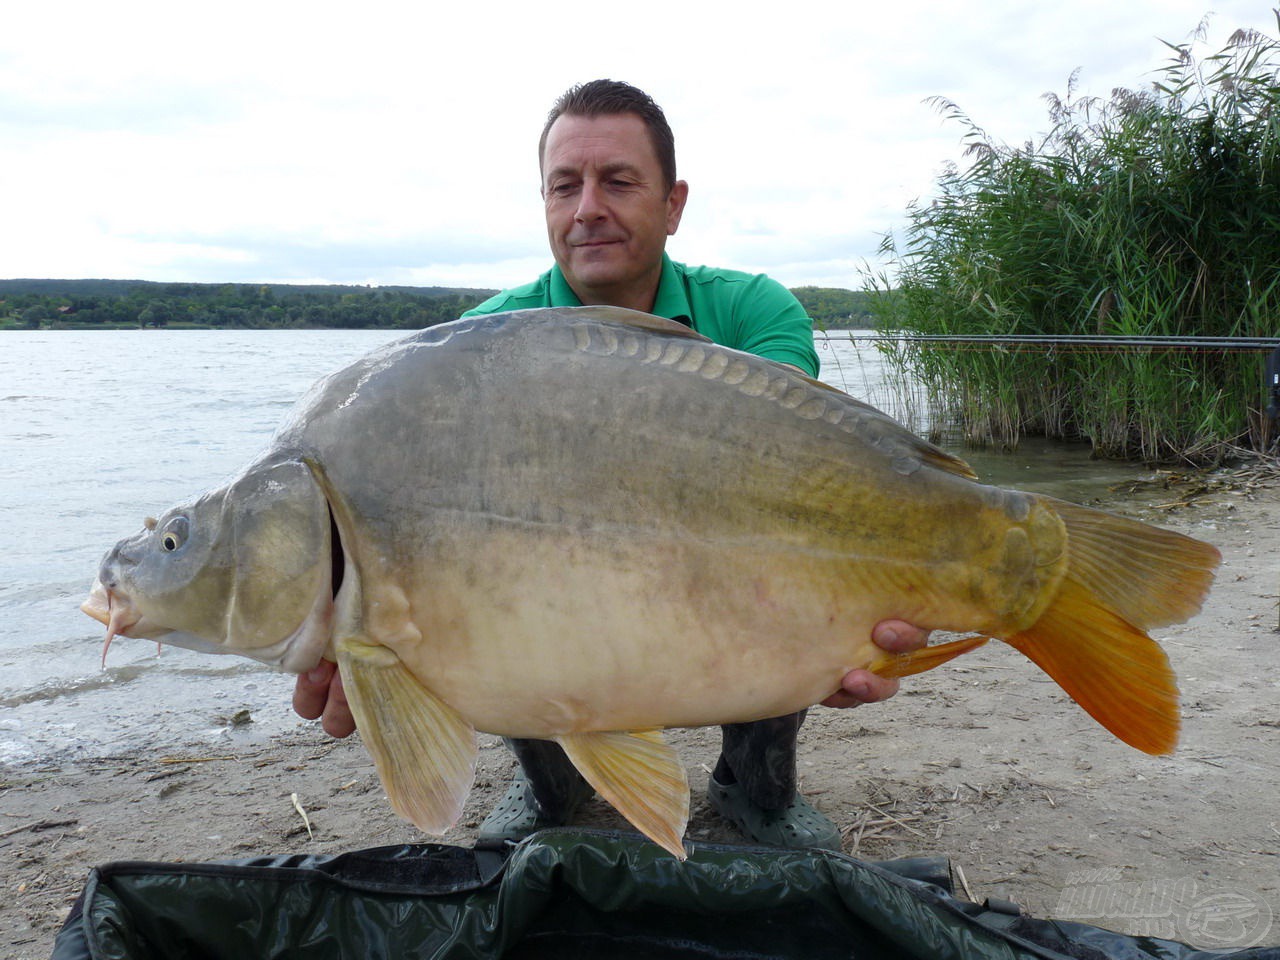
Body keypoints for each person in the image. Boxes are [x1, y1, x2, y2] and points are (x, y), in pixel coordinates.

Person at [294, 79, 929, 851]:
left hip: (718, 566)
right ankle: (552, 787)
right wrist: (358, 631)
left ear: (673, 204)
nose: (587, 206)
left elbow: (798, 480)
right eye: (565, 186)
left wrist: (863, 616)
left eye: (618, 181)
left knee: (758, 557)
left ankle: (756, 788)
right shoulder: (480, 346)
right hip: (558, 587)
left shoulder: (757, 310)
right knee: (493, 571)